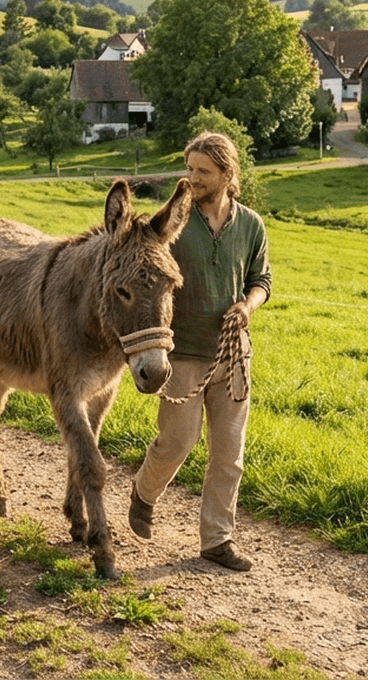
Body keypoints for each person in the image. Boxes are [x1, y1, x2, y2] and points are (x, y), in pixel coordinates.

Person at [128, 131, 270, 572]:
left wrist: (247, 307)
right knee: (177, 442)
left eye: (202, 172)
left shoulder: (250, 224)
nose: (191, 179)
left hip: (232, 355)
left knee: (229, 454)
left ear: (228, 174)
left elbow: (260, 281)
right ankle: (144, 493)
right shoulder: (173, 223)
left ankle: (216, 540)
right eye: (188, 169)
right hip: (183, 352)